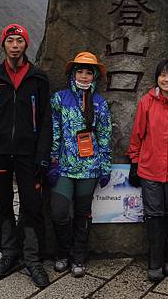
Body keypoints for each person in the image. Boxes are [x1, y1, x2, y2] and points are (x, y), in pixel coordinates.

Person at [0, 23, 51, 288]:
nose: (15, 45)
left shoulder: (38, 78)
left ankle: (32, 258)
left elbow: (45, 120)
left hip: (28, 154)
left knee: (32, 204)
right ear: (3, 45)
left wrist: (43, 154)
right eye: (11, 40)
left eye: (19, 40)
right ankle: (9, 253)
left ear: (26, 45)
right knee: (2, 202)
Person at [127, 59, 168, 282]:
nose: (167, 80)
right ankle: (154, 261)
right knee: (154, 216)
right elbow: (137, 134)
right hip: (150, 169)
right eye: (163, 75)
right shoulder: (147, 102)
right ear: (157, 77)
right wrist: (134, 161)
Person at [47, 51, 112, 277]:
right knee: (59, 212)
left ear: (94, 77)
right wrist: (53, 161)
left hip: (90, 167)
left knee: (83, 213)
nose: (84, 76)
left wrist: (105, 167)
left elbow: (104, 135)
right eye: (80, 71)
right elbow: (54, 131)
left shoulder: (100, 103)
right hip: (64, 167)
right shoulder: (59, 99)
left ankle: (78, 257)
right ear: (73, 73)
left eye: (88, 72)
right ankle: (62, 253)